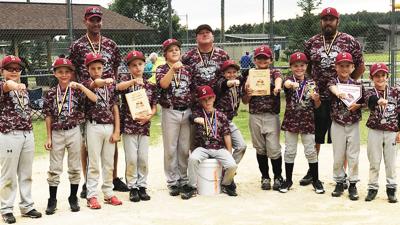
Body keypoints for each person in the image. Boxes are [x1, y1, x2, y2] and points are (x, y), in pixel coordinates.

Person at [68, 5, 129, 197]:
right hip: (87, 96)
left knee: (113, 137)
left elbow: (116, 68)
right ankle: (89, 182)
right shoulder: (77, 45)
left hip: (109, 95)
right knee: (89, 142)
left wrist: (114, 88)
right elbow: (72, 71)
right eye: (92, 19)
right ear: (85, 21)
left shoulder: (111, 44)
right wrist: (80, 90)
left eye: (98, 19)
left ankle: (114, 177)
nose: (96, 23)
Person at [302, 7, 365, 185]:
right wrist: (311, 86)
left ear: (338, 21)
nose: (328, 22)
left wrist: (348, 85)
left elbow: (360, 66)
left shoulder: (349, 41)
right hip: (319, 98)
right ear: (321, 22)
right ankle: (311, 171)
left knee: (343, 138)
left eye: (331, 19)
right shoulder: (312, 42)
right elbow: (306, 67)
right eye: (325, 19)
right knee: (316, 136)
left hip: (342, 98)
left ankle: (343, 174)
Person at [43, 58, 97, 214]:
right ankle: (52, 200)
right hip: (56, 132)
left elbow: (94, 99)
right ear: (55, 73)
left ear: (72, 73)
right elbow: (48, 115)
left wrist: (80, 85)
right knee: (54, 168)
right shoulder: (51, 93)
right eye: (60, 72)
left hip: (74, 131)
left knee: (74, 167)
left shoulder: (78, 90)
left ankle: (73, 198)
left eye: (67, 72)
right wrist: (48, 137)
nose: (64, 75)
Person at [0, 55, 42, 224]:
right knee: (8, 174)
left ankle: (27, 205)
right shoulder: (5, 85)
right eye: (10, 69)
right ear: (2, 71)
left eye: (17, 69)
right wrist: (14, 85)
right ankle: (6, 209)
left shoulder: (22, 88)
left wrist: (20, 87)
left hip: (27, 133)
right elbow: (8, 86)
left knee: (26, 173)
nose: (14, 72)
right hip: (9, 133)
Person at [180, 86, 238, 199]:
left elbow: (227, 135)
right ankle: (191, 186)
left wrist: (229, 152)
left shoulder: (221, 115)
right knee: (193, 159)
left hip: (219, 148)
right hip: (203, 147)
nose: (207, 102)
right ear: (200, 101)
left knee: (232, 165)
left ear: (214, 98)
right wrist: (196, 119)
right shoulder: (198, 112)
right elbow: (191, 117)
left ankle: (226, 184)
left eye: (210, 98)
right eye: (204, 99)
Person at [279, 52, 324, 194]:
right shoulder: (289, 80)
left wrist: (316, 99)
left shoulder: (311, 83)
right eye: (296, 66)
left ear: (306, 66)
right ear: (291, 67)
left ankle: (316, 180)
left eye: (302, 65)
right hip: (291, 121)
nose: (299, 68)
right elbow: (286, 85)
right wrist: (292, 84)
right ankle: (288, 180)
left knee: (310, 151)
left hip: (307, 121)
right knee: (290, 151)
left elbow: (317, 105)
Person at [117, 50, 158, 202]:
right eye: (133, 65)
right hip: (129, 127)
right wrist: (133, 81)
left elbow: (154, 107)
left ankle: (142, 185)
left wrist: (150, 115)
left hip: (144, 127)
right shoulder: (127, 83)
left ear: (144, 65)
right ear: (129, 68)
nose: (137, 68)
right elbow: (118, 87)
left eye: (140, 64)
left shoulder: (150, 86)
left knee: (143, 158)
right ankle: (132, 186)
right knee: (131, 158)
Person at [242, 45, 283, 191]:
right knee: (260, 148)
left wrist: (277, 87)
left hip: (271, 115)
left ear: (270, 60)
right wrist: (248, 92)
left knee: (273, 148)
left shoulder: (274, 72)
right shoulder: (250, 74)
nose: (262, 61)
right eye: (259, 58)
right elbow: (245, 101)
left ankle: (278, 176)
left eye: (265, 58)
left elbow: (278, 80)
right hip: (255, 115)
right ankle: (265, 176)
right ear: (254, 60)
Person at [84, 53, 122, 209]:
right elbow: (96, 84)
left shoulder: (110, 85)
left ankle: (108, 193)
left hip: (109, 126)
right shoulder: (87, 83)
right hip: (93, 126)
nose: (96, 71)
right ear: (88, 69)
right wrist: (103, 80)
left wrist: (117, 130)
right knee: (93, 162)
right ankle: (91, 195)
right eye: (93, 68)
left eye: (99, 67)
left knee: (108, 162)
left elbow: (114, 108)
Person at [156, 39, 193, 196]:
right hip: (170, 111)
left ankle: (183, 179)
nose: (174, 51)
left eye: (177, 49)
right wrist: (172, 70)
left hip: (187, 111)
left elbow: (193, 89)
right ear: (165, 54)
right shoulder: (161, 68)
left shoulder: (188, 70)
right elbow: (163, 84)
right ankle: (172, 181)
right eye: (170, 50)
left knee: (184, 148)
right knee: (170, 147)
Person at [327, 52, 364, 200]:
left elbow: (365, 101)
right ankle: (339, 181)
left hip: (353, 123)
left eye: (347, 66)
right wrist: (339, 93)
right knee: (338, 155)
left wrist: (358, 105)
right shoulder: (333, 81)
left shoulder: (356, 85)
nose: (344, 68)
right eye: (341, 65)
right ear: (336, 67)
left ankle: (353, 183)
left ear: (352, 67)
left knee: (353, 155)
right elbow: (332, 88)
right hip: (337, 123)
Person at [364, 63, 400, 203]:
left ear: (387, 76)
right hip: (375, 130)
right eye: (376, 76)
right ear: (371, 77)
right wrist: (379, 100)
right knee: (374, 160)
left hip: (391, 131)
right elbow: (370, 101)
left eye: (383, 75)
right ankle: (372, 188)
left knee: (390, 162)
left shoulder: (396, 92)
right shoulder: (369, 92)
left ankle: (391, 189)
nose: (380, 78)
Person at [215, 60, 247, 165]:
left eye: (234, 72)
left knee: (241, 146)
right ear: (223, 74)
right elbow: (225, 84)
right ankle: (224, 174)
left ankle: (229, 170)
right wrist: (232, 82)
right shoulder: (220, 83)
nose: (232, 74)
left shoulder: (238, 80)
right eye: (228, 72)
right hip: (218, 122)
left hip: (228, 121)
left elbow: (246, 74)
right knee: (222, 149)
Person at [182, 24, 229, 91]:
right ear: (196, 39)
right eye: (201, 33)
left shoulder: (222, 55)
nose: (204, 34)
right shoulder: (188, 56)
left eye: (207, 32)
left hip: (219, 98)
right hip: (196, 98)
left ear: (213, 37)